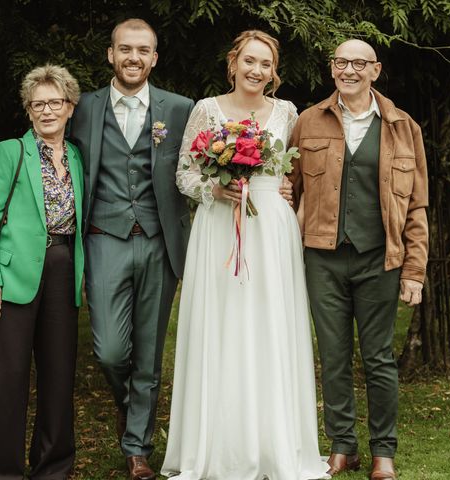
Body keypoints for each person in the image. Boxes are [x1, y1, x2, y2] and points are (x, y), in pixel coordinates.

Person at [161, 30, 331, 480]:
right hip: (219, 226)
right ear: (233, 62)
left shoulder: (287, 111)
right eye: (250, 61)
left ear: (274, 71)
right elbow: (183, 173)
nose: (257, 71)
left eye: (266, 64)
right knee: (222, 324)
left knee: (268, 324)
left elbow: (289, 170)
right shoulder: (206, 110)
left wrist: (285, 188)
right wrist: (214, 190)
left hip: (269, 226)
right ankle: (217, 445)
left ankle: (272, 442)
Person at [289, 39, 429, 480]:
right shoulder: (309, 121)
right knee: (332, 357)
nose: (348, 70)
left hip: (379, 261)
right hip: (323, 259)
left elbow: (418, 207)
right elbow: (287, 188)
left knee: (379, 358)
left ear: (376, 70)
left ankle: (383, 451)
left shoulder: (403, 127)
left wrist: (415, 271)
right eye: (341, 62)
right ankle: (342, 446)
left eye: (358, 63)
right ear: (332, 69)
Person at [68, 18, 194, 480]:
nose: (133, 58)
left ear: (155, 58)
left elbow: (201, 169)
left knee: (149, 352)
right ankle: (129, 408)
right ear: (111, 54)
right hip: (105, 239)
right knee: (109, 350)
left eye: (143, 50)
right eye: (125, 49)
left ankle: (137, 447)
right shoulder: (81, 108)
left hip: (160, 242)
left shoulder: (180, 109)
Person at [0, 64, 84, 480]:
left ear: (70, 107)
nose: (46, 111)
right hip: (13, 274)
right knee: (9, 377)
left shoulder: (75, 155)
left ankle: (53, 468)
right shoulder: (10, 151)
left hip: (61, 268)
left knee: (59, 375)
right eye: (37, 104)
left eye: (55, 102)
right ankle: (2, 472)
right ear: (28, 110)